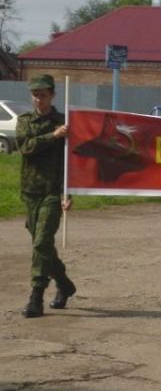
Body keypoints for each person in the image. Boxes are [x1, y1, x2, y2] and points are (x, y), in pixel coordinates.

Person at [16, 75, 75, 318]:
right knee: (43, 246)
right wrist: (53, 136)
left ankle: (36, 296)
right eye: (34, 95)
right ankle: (64, 284)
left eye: (42, 95)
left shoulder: (65, 122)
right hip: (30, 191)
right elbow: (26, 147)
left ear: (52, 95)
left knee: (41, 243)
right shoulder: (25, 121)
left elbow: (73, 160)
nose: (37, 99)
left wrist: (68, 192)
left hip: (53, 192)